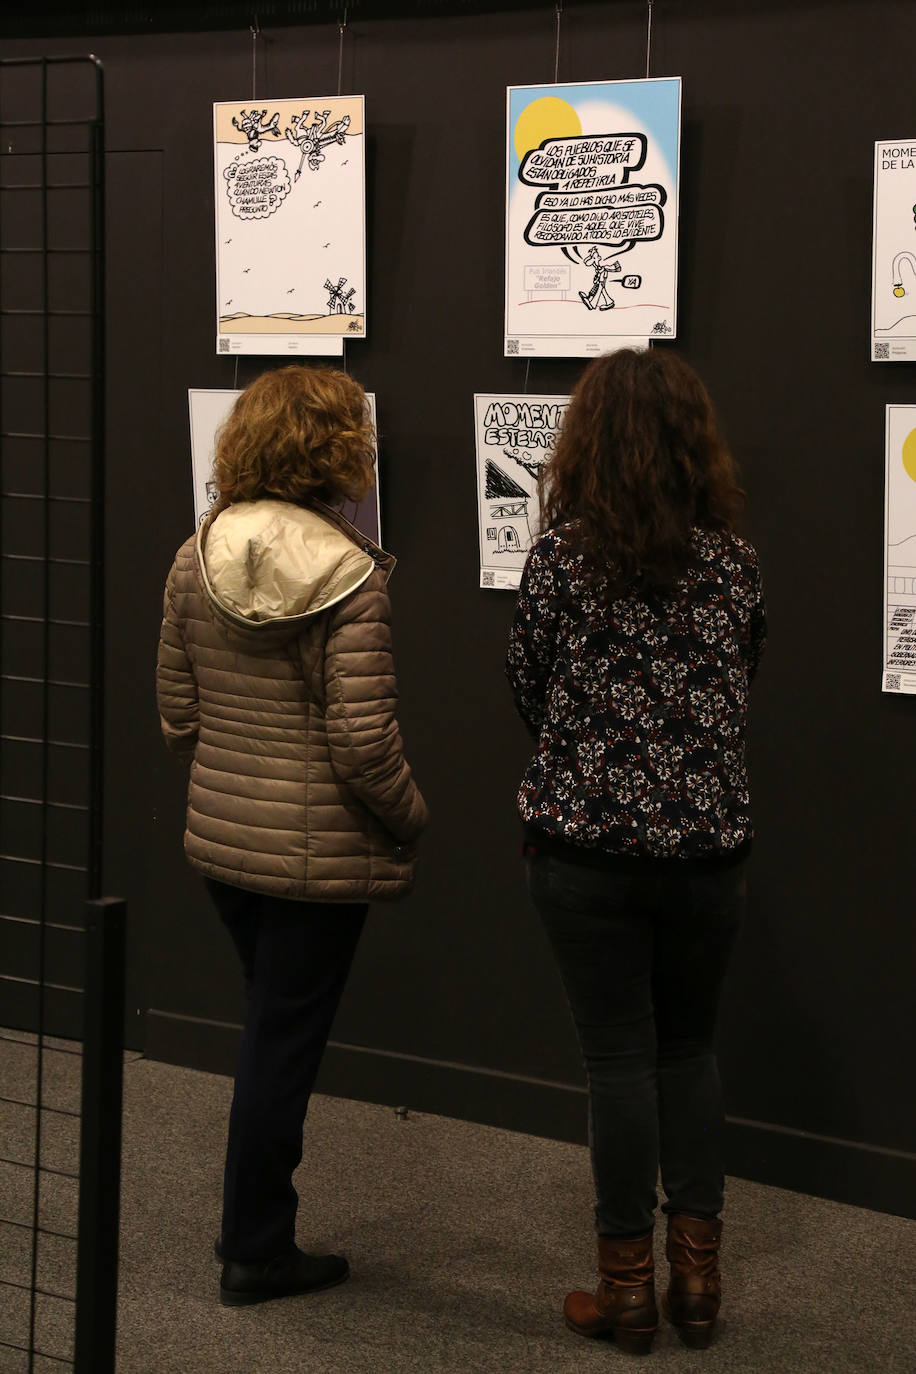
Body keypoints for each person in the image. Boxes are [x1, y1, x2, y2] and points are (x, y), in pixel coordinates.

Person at [506, 348, 766, 1355]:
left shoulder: (563, 557)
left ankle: (626, 1291)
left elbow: (526, 684)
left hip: (587, 850)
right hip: (705, 855)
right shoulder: (734, 562)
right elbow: (743, 680)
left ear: (585, 443)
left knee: (615, 1060)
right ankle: (697, 1282)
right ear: (691, 443)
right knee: (689, 1051)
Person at [156, 365, 427, 1307]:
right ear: (337, 449)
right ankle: (256, 1247)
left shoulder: (196, 554)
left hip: (223, 846)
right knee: (281, 1049)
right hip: (317, 860)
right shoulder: (350, 577)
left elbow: (176, 713)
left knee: (268, 1032)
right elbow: (363, 746)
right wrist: (412, 818)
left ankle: (254, 1231)